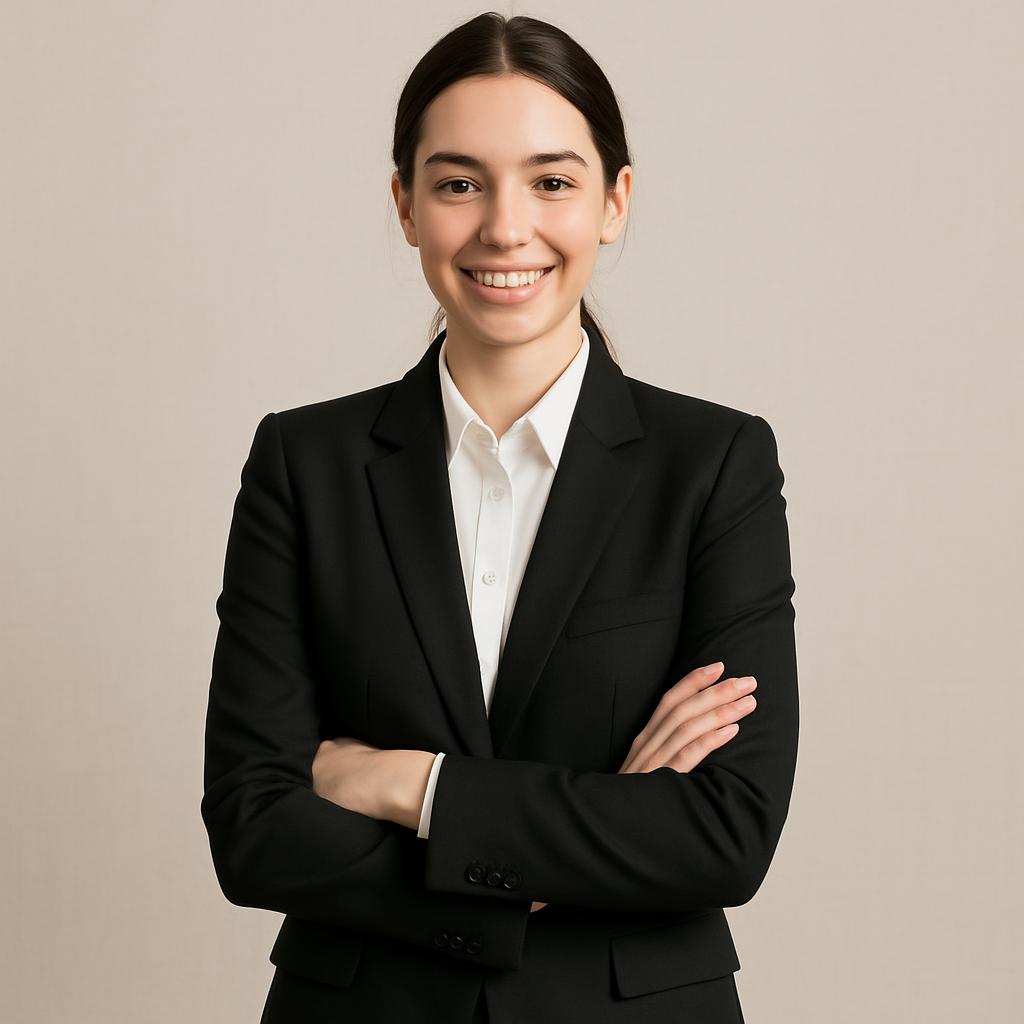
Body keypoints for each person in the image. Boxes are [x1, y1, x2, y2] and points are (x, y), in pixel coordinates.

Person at [201, 12, 798, 1024]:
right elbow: (254, 826)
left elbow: (721, 833)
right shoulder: (305, 462)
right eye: (459, 182)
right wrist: (577, 833)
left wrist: (409, 786)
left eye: (552, 180)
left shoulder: (713, 465)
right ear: (405, 203)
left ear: (614, 201)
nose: (504, 227)